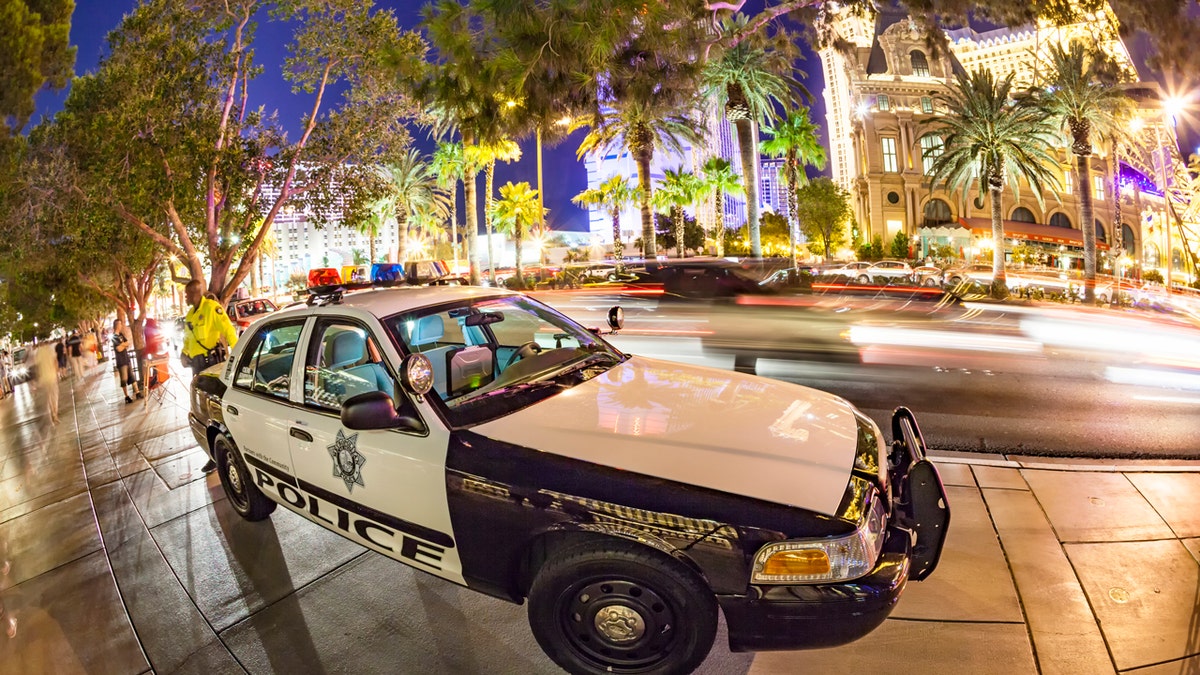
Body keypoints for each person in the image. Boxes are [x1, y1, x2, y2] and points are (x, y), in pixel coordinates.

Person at [182, 280, 238, 473]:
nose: (186, 297)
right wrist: (184, 352)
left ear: (195, 292)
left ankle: (226, 451)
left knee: (215, 410)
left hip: (212, 362)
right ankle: (212, 454)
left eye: (187, 294)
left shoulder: (211, 308)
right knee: (201, 411)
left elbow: (228, 330)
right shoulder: (191, 314)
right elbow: (188, 339)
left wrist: (237, 354)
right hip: (197, 365)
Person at [111, 318, 138, 404]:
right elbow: (118, 349)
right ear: (116, 326)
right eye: (119, 324)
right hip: (121, 361)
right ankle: (126, 396)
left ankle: (137, 392)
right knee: (124, 379)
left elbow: (127, 343)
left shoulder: (121, 335)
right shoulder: (114, 337)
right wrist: (123, 345)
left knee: (132, 376)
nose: (121, 325)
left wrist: (122, 344)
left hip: (126, 358)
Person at [33, 342, 59, 424]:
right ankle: (55, 413)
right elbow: (55, 362)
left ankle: (52, 411)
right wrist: (57, 372)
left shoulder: (38, 353)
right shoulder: (50, 350)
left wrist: (37, 377)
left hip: (44, 378)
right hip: (52, 376)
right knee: (54, 395)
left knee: (48, 396)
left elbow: (37, 366)